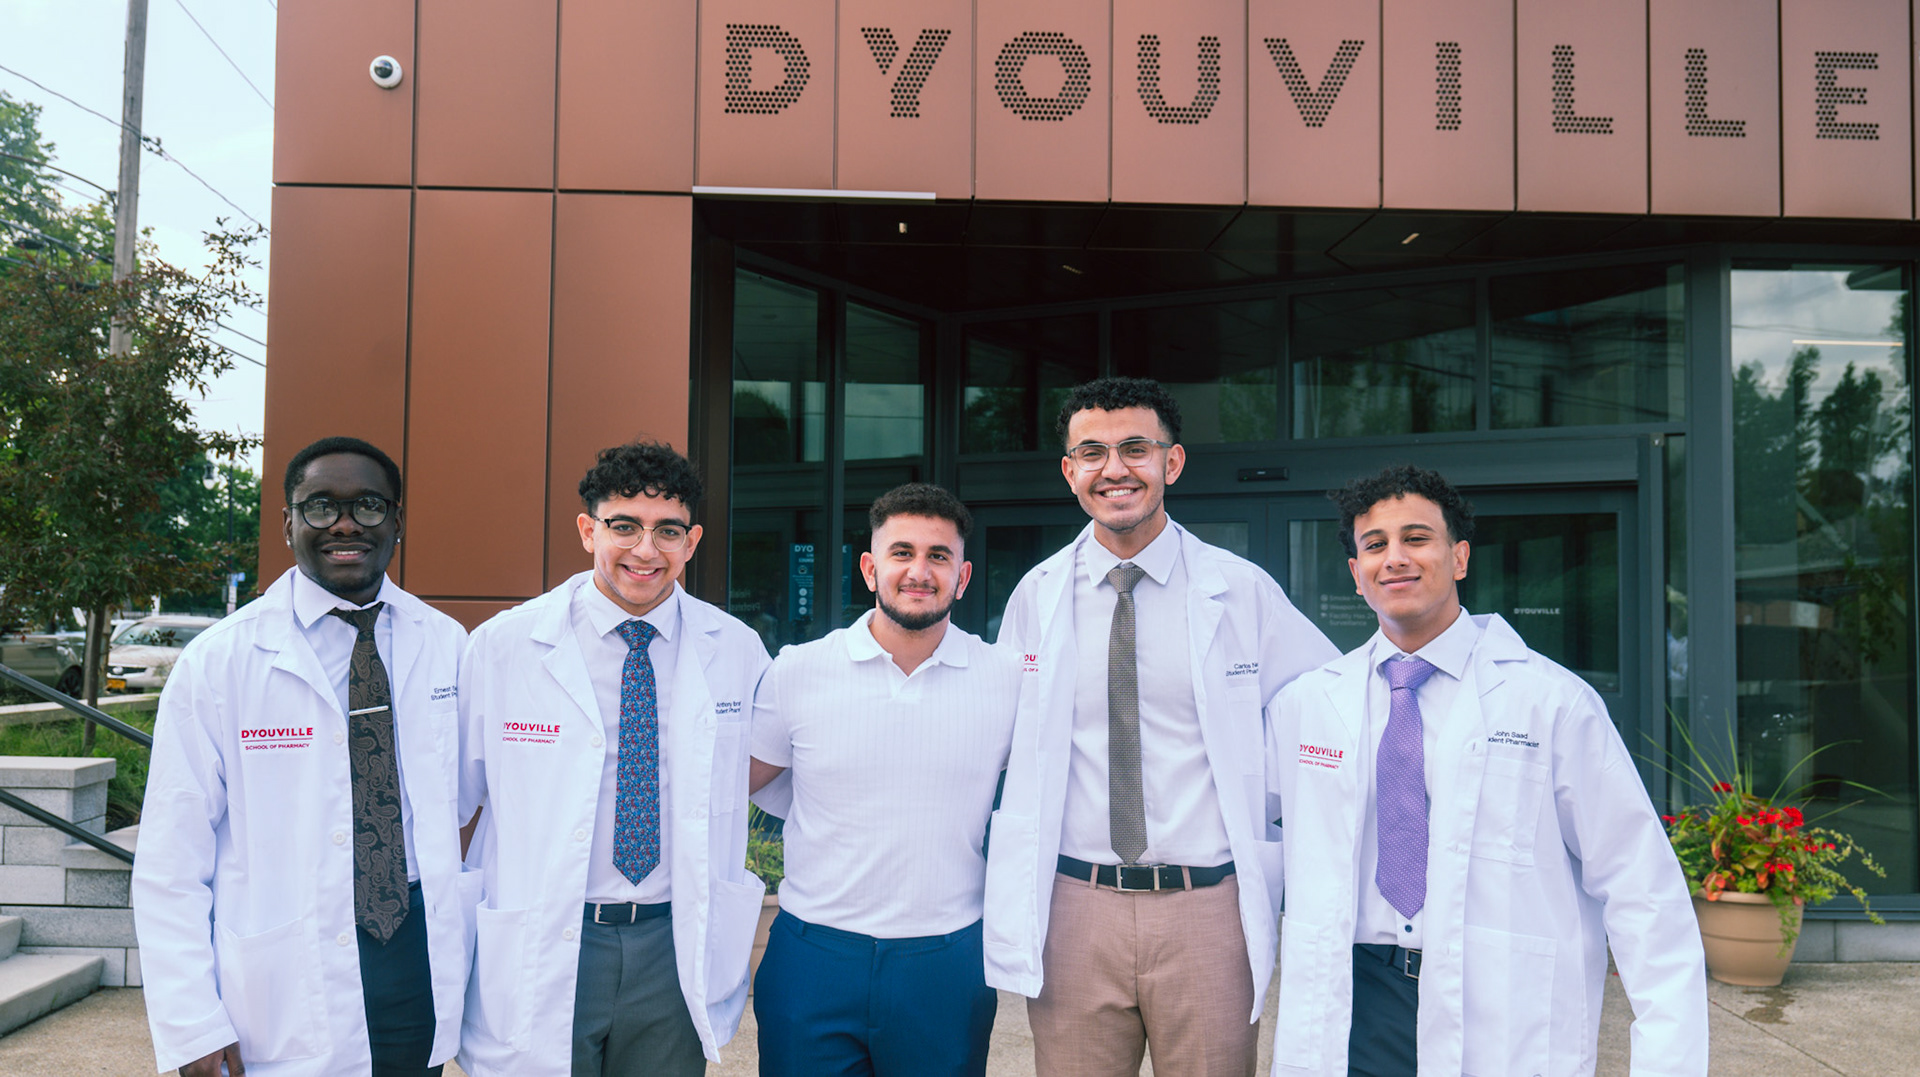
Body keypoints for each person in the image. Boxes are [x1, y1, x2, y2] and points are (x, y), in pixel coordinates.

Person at [1265, 465, 1708, 1077]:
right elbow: (1242, 831)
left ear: (1460, 557)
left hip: (1498, 1010)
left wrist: (1668, 1061)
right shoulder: (1306, 705)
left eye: (1416, 538)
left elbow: (1641, 887)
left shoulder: (1552, 702)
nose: (1395, 558)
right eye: (1375, 545)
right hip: (1352, 1006)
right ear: (1356, 574)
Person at [984, 376, 1339, 1077]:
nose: (1114, 469)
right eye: (1092, 452)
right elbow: (996, 732)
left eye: (1135, 449)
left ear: (1171, 463)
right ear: (1069, 471)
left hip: (1207, 909)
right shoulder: (1037, 595)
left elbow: (1326, 714)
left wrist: (1267, 806)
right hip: (1074, 906)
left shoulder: (1240, 589)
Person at [134, 436, 476, 1076]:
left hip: (417, 958)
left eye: (368, 506)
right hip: (284, 976)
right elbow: (170, 860)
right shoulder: (219, 662)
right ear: (287, 523)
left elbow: (473, 796)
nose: (345, 524)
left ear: (398, 521)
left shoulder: (447, 644)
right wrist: (191, 1023)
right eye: (320, 507)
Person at [456, 441, 771, 1077]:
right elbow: (454, 801)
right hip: (547, 933)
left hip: (671, 939)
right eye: (624, 526)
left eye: (668, 531)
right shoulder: (504, 647)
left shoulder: (737, 649)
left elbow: (766, 769)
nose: (645, 550)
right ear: (587, 530)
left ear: (692, 541)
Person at [746, 482, 1019, 1077]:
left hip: (946, 960)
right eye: (902, 553)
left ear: (963, 577)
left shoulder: (1007, 679)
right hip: (813, 955)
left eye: (938, 556)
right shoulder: (798, 670)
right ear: (870, 569)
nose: (919, 571)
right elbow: (730, 787)